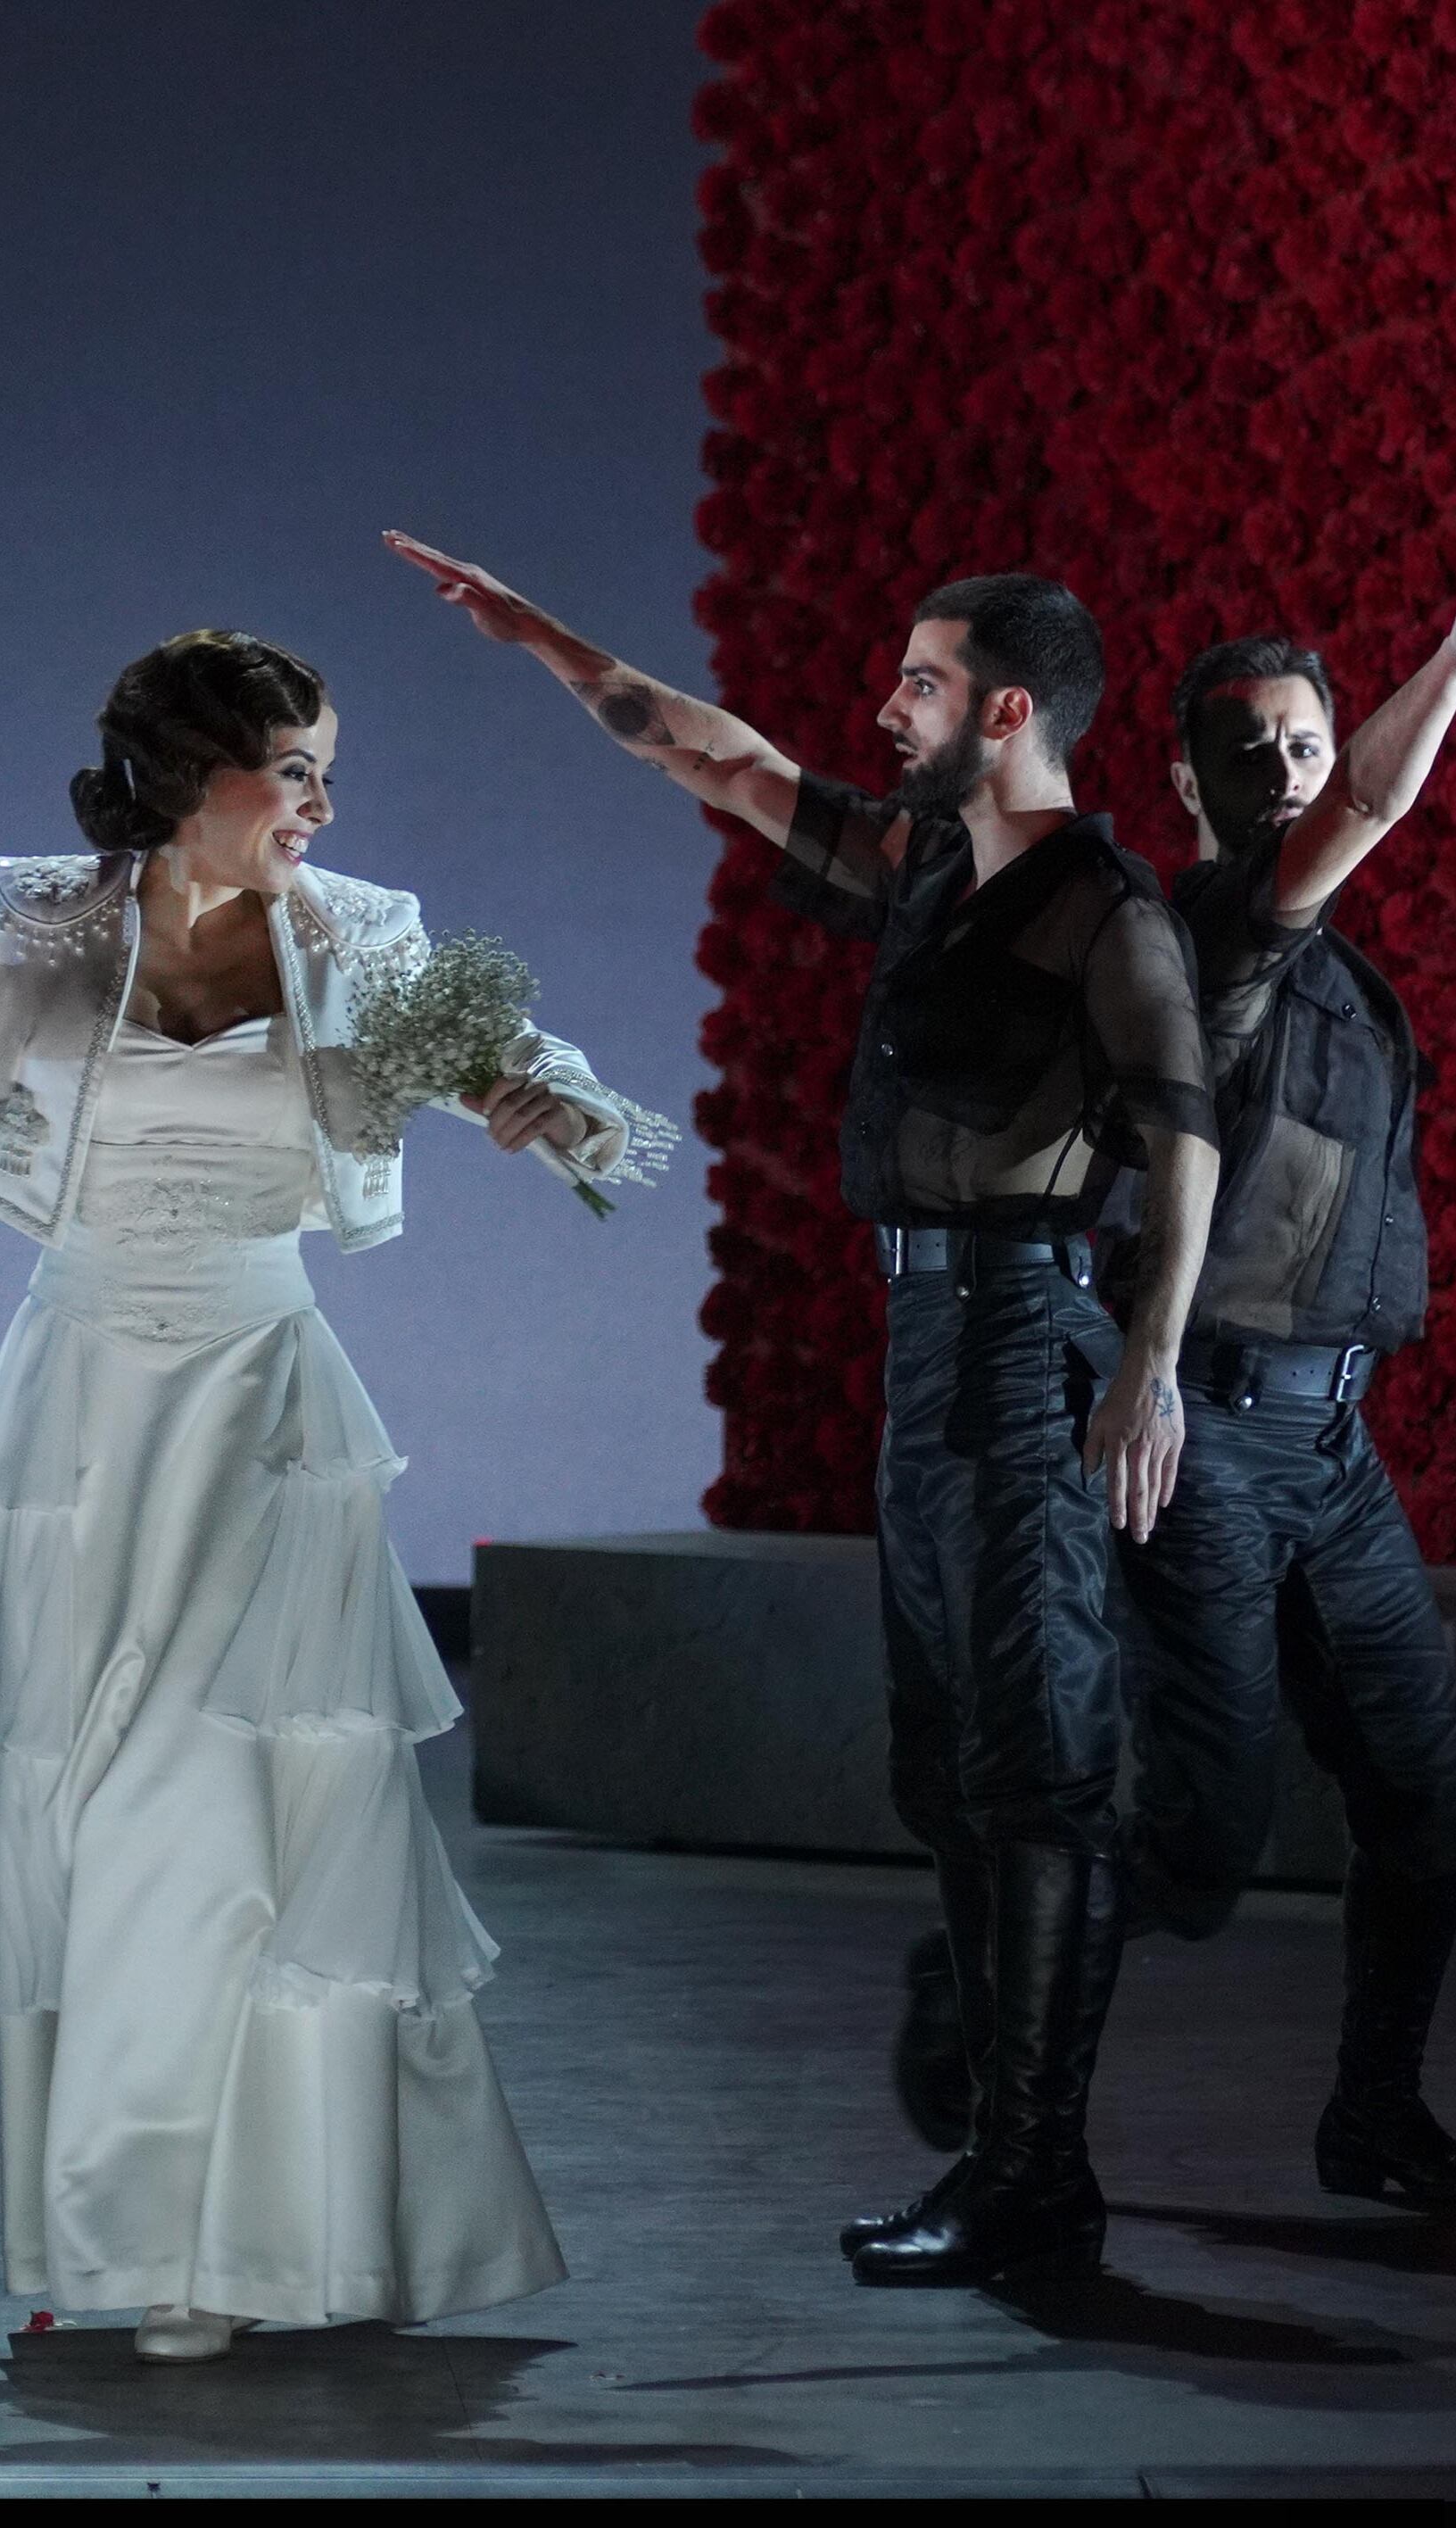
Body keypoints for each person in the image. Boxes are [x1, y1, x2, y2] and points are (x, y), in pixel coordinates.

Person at [0, 626, 653, 2361]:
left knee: (272, 1818)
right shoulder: (38, 924)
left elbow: (534, 1076)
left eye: (324, 771)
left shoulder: (355, 936)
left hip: (262, 1405)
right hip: (91, 1409)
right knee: (126, 1814)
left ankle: (301, 2233)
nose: (318, 803)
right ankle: (165, 2234)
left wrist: (560, 1113)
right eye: (289, 770)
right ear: (187, 780)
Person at [393, 534, 1221, 2290]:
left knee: (1032, 1773)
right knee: (950, 1771)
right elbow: (713, 755)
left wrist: (1144, 1364)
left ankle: (1033, 2180)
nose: (885, 704)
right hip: (926, 1346)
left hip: (1022, 1337)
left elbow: (1181, 1133)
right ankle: (1007, 2161)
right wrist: (536, 630)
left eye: (919, 682)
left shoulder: (1105, 905)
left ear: (1007, 711)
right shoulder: (925, 862)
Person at [885, 626, 1456, 2209]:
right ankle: (979, 1975)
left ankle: (1370, 2118)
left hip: (1333, 1449)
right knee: (1199, 1851)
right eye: (1247, 748)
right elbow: (1370, 804)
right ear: (1184, 781)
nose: (1285, 773)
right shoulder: (1207, 930)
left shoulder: (1340, 974)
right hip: (1199, 1438)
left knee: (1424, 1797)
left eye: (1302, 742)